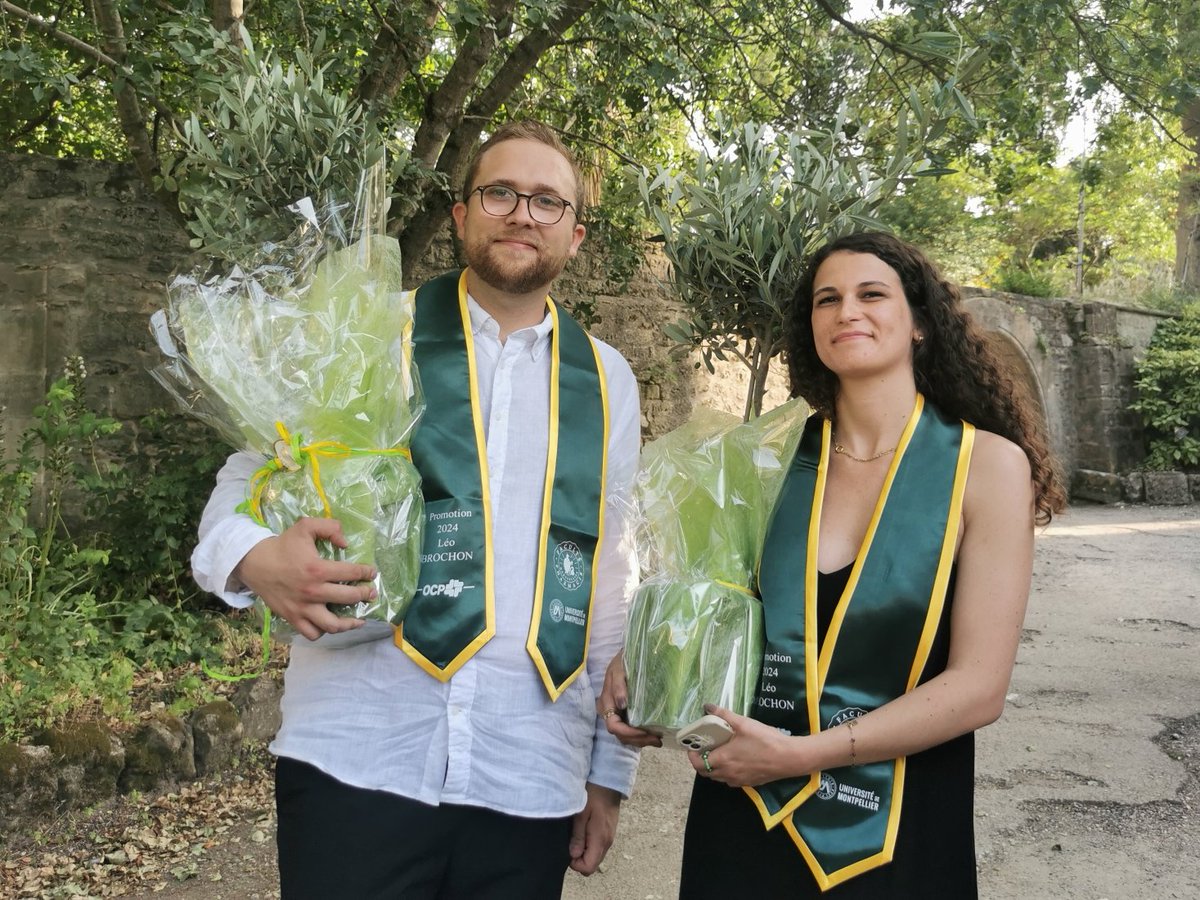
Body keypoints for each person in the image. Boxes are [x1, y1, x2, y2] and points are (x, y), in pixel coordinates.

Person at [192, 120, 642, 899]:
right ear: (463, 215)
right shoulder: (366, 335)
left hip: (528, 769)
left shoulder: (609, 383)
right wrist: (255, 558)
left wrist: (608, 776)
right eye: (500, 192)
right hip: (358, 756)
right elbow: (246, 480)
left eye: (547, 201)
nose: (522, 213)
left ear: (575, 235)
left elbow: (608, 577)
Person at [601, 231, 1066, 897]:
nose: (847, 311)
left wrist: (799, 755)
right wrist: (641, 664)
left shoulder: (986, 467)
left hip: (897, 829)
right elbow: (710, 599)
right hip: (746, 811)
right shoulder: (767, 458)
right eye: (827, 299)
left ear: (920, 323)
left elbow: (980, 686)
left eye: (871, 294)